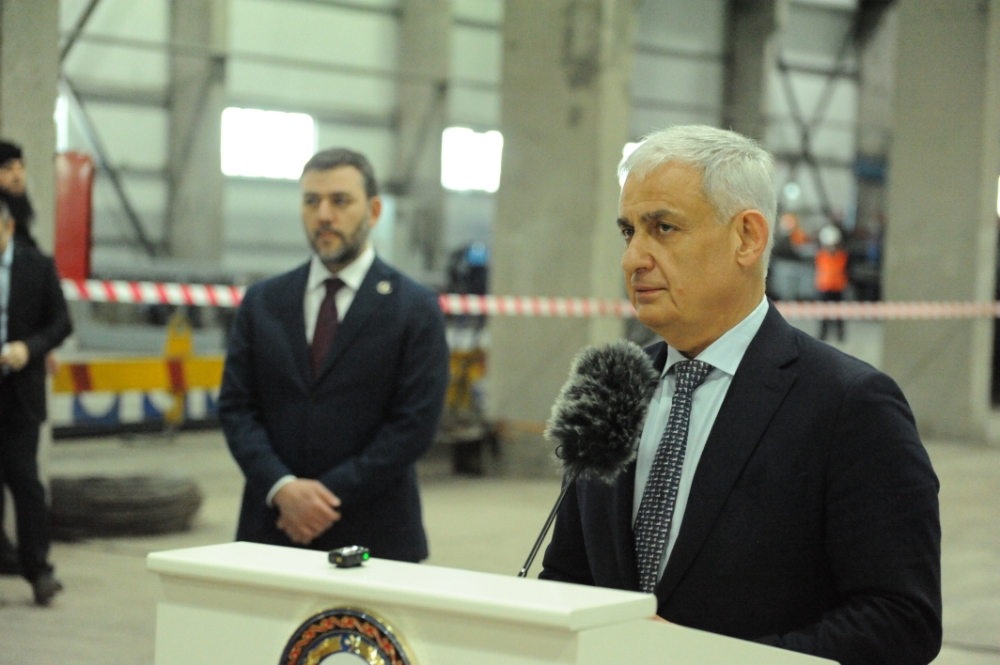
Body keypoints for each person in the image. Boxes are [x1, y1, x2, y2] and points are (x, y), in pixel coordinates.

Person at [539, 125, 941, 665]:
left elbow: (901, 621)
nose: (633, 258)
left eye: (663, 228)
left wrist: (706, 658)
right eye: (628, 231)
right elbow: (568, 576)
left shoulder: (850, 406)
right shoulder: (611, 389)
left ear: (747, 238)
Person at [219, 148, 450, 561]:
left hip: (376, 532)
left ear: (373, 211)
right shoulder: (263, 302)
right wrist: (282, 488)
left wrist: (323, 497)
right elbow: (237, 408)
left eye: (340, 201)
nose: (324, 215)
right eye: (312, 201)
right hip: (272, 527)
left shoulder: (414, 308)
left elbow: (414, 423)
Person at [0, 196, 73, 605]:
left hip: (20, 395)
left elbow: (62, 322)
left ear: (9, 228)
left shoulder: (38, 266)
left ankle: (39, 571)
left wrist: (30, 349)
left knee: (25, 483)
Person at [0, 141, 35, 572]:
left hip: (17, 367)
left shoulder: (21, 220)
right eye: (9, 167)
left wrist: (36, 347)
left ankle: (31, 562)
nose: (18, 175)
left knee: (23, 477)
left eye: (21, 167)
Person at [815, 224, 848, 341]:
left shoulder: (842, 255)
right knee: (824, 314)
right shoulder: (821, 255)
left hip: (838, 286)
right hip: (825, 286)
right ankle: (823, 334)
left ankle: (840, 334)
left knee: (839, 313)